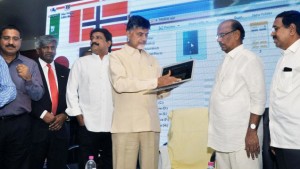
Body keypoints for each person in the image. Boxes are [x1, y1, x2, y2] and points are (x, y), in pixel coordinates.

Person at [109, 15, 179, 169]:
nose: (144, 38)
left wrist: (169, 86)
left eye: (146, 35)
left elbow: (158, 93)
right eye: (140, 34)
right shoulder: (116, 56)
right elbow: (120, 84)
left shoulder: (152, 59)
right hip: (126, 125)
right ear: (128, 33)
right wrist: (156, 82)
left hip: (150, 124)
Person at [207, 19, 266, 169]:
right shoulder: (225, 61)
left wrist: (252, 132)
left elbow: (258, 100)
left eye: (222, 35)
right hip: (222, 140)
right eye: (217, 36)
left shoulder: (249, 59)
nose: (219, 40)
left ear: (236, 34)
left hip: (243, 140)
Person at [66, 28, 114, 169]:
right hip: (87, 124)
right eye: (92, 37)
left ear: (109, 43)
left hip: (112, 124)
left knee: (110, 162)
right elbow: (71, 91)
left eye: (98, 37)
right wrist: (78, 116)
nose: (94, 40)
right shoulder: (80, 63)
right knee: (87, 163)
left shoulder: (117, 62)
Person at [0, 25, 44, 169]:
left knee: (17, 164)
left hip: (19, 124)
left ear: (20, 41)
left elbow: (38, 96)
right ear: (1, 40)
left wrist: (29, 78)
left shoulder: (30, 64)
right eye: (6, 38)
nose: (10, 42)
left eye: (15, 38)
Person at [29, 35, 70, 169]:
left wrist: (65, 115)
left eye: (52, 47)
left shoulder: (66, 71)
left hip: (60, 129)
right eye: (45, 47)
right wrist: (42, 114)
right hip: (36, 129)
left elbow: (72, 97)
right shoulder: (29, 68)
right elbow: (24, 95)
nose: (50, 50)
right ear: (38, 50)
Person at [269, 10, 300, 169]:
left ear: (292, 29)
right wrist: (276, 140)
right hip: (283, 140)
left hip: (296, 141)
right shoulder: (284, 58)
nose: (272, 33)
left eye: (276, 28)